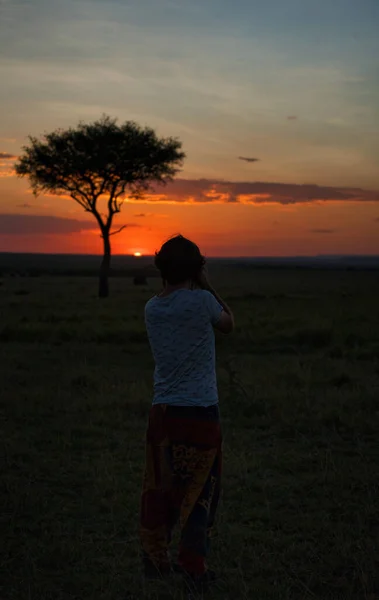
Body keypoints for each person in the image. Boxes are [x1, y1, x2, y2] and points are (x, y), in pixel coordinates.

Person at [140, 234, 234, 593]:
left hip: (162, 413)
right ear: (196, 269)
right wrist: (208, 285)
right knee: (200, 491)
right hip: (200, 413)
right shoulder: (202, 302)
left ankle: (154, 559)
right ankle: (193, 565)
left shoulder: (152, 307)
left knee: (159, 488)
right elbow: (229, 324)